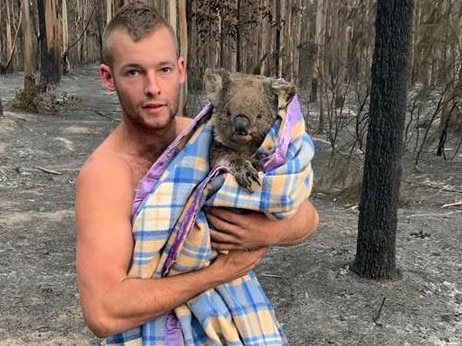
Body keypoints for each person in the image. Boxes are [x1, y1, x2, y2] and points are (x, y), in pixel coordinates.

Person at [75, 1, 319, 344]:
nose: (153, 88)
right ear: (108, 77)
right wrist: (220, 273)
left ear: (182, 69)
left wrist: (262, 231)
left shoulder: (208, 137)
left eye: (163, 70)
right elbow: (103, 312)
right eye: (133, 72)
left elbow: (307, 217)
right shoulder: (105, 176)